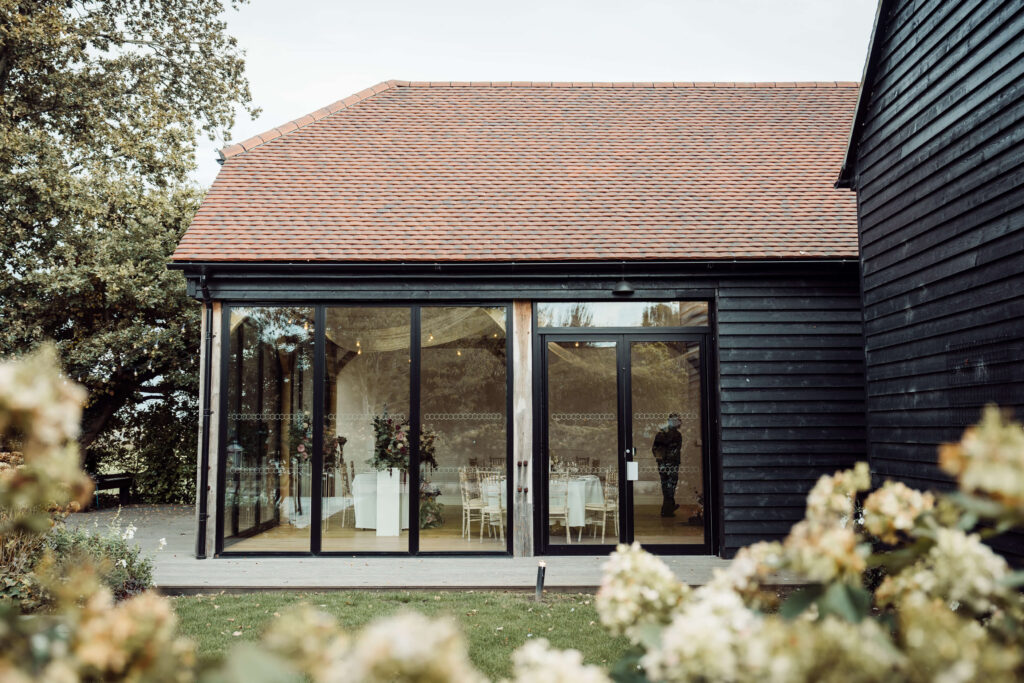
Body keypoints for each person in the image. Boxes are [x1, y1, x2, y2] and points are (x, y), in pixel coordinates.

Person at [651, 413, 683, 517]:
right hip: (671, 464)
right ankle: (667, 509)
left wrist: (661, 460)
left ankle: (668, 507)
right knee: (670, 486)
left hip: (662, 464)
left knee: (666, 485)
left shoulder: (660, 433)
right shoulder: (677, 435)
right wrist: (668, 460)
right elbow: (676, 450)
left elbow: (654, 449)